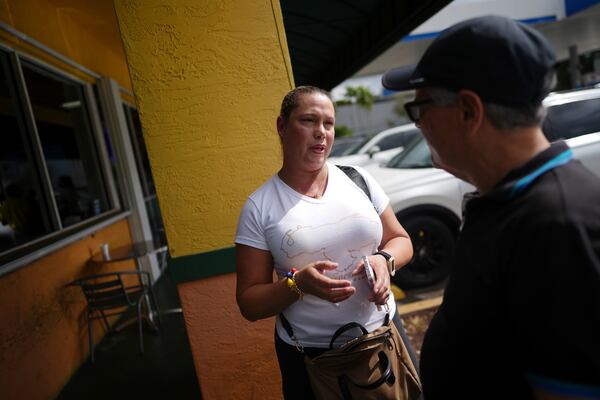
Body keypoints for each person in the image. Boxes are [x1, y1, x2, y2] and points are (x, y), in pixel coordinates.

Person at [381, 15, 600, 400]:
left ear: (468, 111)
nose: (418, 125)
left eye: (420, 109)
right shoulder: (508, 203)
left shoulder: (557, 224)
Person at [235, 86, 415, 399]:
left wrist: (384, 261)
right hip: (312, 357)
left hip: (384, 334)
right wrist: (297, 284)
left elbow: (400, 239)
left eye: (328, 124)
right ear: (282, 126)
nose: (321, 133)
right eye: (308, 121)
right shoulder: (259, 206)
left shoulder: (357, 178)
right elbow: (249, 303)